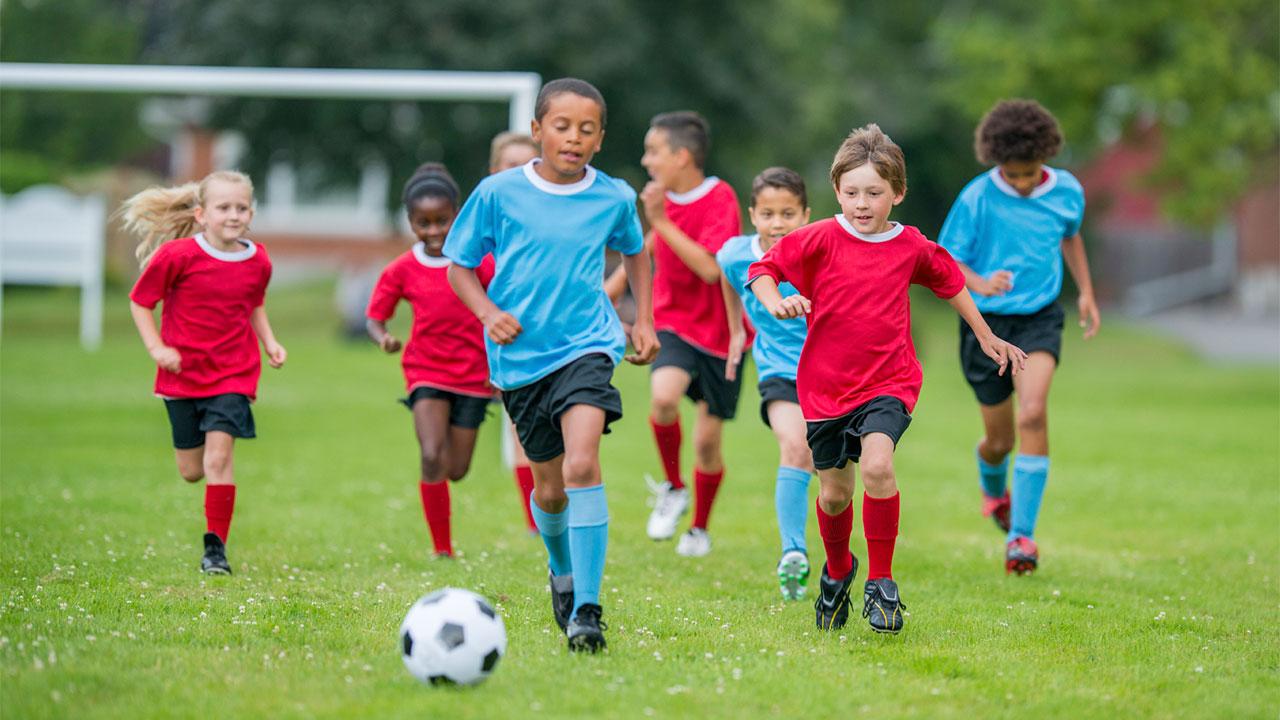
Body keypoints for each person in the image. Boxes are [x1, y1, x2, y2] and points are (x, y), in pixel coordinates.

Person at [748, 124, 1026, 634]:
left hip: (889, 382)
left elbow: (951, 283)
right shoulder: (818, 238)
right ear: (837, 192)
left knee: (878, 465)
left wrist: (986, 336)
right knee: (834, 494)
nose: (861, 203)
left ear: (897, 193)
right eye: (851, 192)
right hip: (825, 388)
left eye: (874, 193)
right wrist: (775, 301)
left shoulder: (910, 246)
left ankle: (881, 581)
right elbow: (763, 269)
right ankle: (837, 573)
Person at [444, 78, 658, 652]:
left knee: (583, 463)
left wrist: (643, 320)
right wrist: (488, 312)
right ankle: (561, 571)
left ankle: (587, 608)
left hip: (587, 345)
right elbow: (458, 266)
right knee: (551, 490)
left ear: (600, 138)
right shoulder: (497, 193)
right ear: (538, 130)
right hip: (520, 359)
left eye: (586, 129)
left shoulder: (612, 196)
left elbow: (635, 250)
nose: (573, 137)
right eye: (561, 126)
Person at [937, 99, 1099, 575]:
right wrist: (981, 282)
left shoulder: (1067, 191)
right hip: (985, 329)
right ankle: (992, 487)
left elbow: (1071, 236)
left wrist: (1086, 291)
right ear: (996, 162)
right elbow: (946, 261)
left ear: (1045, 157)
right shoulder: (976, 198)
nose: (1024, 183)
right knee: (999, 442)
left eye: (1031, 173)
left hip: (1038, 320)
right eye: (1014, 175)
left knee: (1033, 413)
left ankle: (1021, 538)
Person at [125, 170, 286, 576]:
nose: (234, 215)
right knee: (191, 471)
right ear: (201, 214)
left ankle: (215, 551)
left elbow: (253, 303)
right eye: (224, 207)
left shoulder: (258, 259)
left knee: (218, 458)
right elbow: (140, 301)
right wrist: (157, 348)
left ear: (252, 212)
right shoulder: (176, 257)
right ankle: (212, 533)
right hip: (182, 377)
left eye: (242, 207)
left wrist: (269, 342)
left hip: (234, 374)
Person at [628, 110, 744, 556]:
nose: (645, 160)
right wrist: (614, 288)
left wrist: (660, 220)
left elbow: (711, 269)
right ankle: (674, 488)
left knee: (707, 443)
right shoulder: (665, 204)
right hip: (673, 322)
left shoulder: (719, 197)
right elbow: (649, 250)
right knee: (662, 398)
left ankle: (698, 528)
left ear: (682, 155)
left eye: (653, 151)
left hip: (721, 335)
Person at [366, 163, 495, 559]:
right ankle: (442, 550)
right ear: (411, 222)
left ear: (457, 215)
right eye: (424, 223)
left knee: (456, 469)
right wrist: (384, 337)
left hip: (474, 376)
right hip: (426, 371)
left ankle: (444, 527)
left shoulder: (479, 261)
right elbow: (375, 316)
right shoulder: (402, 268)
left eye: (443, 221)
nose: (434, 230)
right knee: (430, 454)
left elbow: (506, 303)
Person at [716, 167, 814, 599]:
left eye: (788, 213)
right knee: (795, 446)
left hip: (831, 371)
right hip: (778, 370)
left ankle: (836, 552)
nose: (778, 224)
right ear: (752, 215)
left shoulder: (820, 253)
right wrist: (737, 329)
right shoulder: (736, 254)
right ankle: (793, 551)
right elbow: (729, 276)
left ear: (806, 215)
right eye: (769, 214)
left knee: (832, 474)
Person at [487, 131, 543, 534]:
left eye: (529, 164)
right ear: (495, 171)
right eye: (511, 165)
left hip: (549, 340)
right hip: (495, 341)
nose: (520, 174)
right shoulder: (482, 223)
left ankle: (555, 510)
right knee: (521, 429)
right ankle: (534, 521)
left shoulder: (552, 222)